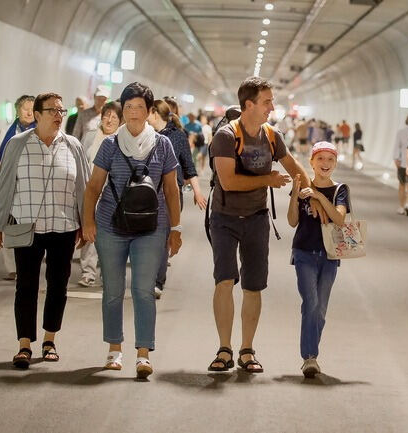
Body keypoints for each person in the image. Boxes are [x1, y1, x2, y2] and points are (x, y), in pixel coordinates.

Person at [207, 76, 316, 374]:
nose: (272, 107)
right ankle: (224, 349)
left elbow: (294, 167)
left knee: (254, 286)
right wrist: (267, 179)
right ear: (248, 105)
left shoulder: (271, 135)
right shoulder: (226, 137)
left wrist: (313, 194)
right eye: (267, 101)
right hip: (225, 218)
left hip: (256, 218)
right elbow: (227, 181)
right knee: (225, 280)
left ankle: (246, 350)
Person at [81, 82, 183, 380]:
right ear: (121, 111)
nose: (134, 113)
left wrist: (175, 229)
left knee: (142, 290)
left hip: (152, 226)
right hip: (111, 225)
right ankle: (114, 349)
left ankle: (143, 353)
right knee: (112, 290)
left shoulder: (162, 145)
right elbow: (93, 186)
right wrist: (88, 222)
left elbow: (171, 190)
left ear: (150, 111)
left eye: (140, 107)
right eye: (128, 107)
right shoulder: (110, 144)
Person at [0, 92, 90, 369]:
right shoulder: (17, 144)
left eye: (62, 110)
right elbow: (4, 186)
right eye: (53, 110)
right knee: (26, 285)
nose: (59, 115)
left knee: (58, 286)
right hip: (26, 226)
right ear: (37, 114)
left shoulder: (73, 146)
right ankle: (24, 344)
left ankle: (49, 340)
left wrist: (86, 221)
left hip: (63, 227)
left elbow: (84, 186)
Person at [286, 141, 349, 378]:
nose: (325, 164)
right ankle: (309, 357)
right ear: (311, 162)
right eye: (320, 159)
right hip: (303, 252)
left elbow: (339, 219)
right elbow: (293, 221)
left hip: (330, 255)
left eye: (330, 159)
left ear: (335, 163)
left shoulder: (340, 189)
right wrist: (296, 194)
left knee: (320, 310)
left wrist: (319, 198)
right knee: (310, 303)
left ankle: (311, 353)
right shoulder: (302, 185)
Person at [147, 98, 208, 297]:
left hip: (169, 194)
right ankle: (145, 276)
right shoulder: (144, 134)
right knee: (146, 237)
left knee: (164, 237)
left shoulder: (178, 136)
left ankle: (157, 281)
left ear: (155, 113)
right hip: (145, 193)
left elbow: (188, 167)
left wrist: (198, 191)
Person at [0, 94, 36, 281]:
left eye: (32, 108)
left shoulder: (40, 130)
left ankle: (29, 263)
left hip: (31, 184)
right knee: (6, 224)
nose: (29, 112)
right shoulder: (8, 131)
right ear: (17, 110)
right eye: (25, 108)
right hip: (8, 183)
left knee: (29, 225)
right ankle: (12, 267)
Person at [77, 101, 123, 287]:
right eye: (106, 115)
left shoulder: (122, 139)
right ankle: (88, 272)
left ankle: (108, 273)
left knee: (110, 236)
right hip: (90, 191)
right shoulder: (90, 136)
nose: (109, 120)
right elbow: (79, 162)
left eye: (114, 117)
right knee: (89, 231)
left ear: (120, 121)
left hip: (112, 195)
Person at [393, 114, 408, 216]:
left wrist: (396, 159)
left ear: (406, 121)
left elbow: (397, 146)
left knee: (402, 185)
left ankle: (401, 207)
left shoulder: (400, 132)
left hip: (402, 162)